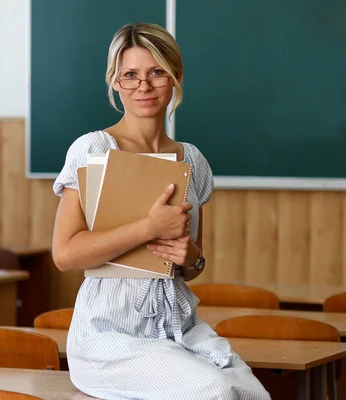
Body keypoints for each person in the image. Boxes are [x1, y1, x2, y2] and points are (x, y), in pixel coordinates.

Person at [51, 22, 271, 400]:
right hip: (109, 336)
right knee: (215, 392)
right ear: (115, 83)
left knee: (252, 394)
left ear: (175, 76)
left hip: (176, 326)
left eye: (156, 73)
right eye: (130, 76)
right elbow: (65, 254)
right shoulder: (95, 148)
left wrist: (191, 258)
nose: (144, 86)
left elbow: (193, 264)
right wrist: (148, 227)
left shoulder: (193, 160)